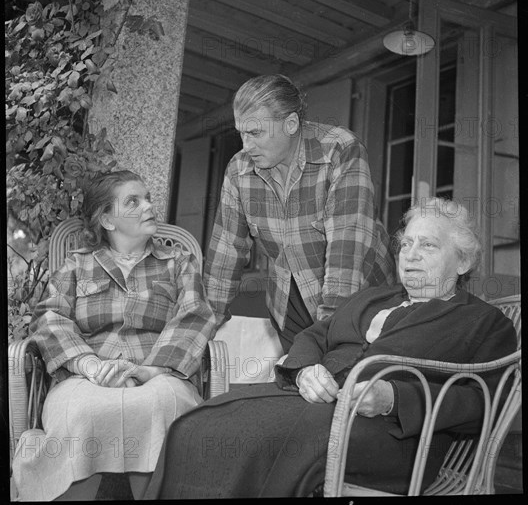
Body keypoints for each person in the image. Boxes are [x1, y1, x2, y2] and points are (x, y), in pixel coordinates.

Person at [144, 197, 517, 498]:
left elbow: (486, 402)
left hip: (387, 435)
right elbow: (313, 336)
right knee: (194, 426)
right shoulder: (375, 297)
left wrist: (395, 399)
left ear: (464, 260)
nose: (411, 255)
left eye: (428, 245)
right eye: (406, 245)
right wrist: (306, 370)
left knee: (248, 440)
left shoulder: (483, 322)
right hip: (306, 406)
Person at [11, 170, 216, 501]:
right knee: (80, 413)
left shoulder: (179, 261)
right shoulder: (76, 265)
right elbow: (50, 317)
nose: (148, 206)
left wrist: (151, 369)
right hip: (87, 376)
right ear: (107, 219)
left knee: (163, 405)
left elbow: (195, 315)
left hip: (159, 373)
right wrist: (87, 364)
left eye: (147, 198)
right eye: (133, 201)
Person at [205, 74, 396, 352]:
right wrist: (199, 335)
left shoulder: (340, 150)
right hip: (290, 298)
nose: (246, 145)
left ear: (291, 124)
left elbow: (348, 249)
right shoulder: (239, 170)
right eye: (241, 133)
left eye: (255, 133)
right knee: (300, 386)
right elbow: (224, 257)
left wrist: (328, 336)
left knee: (346, 385)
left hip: (361, 300)